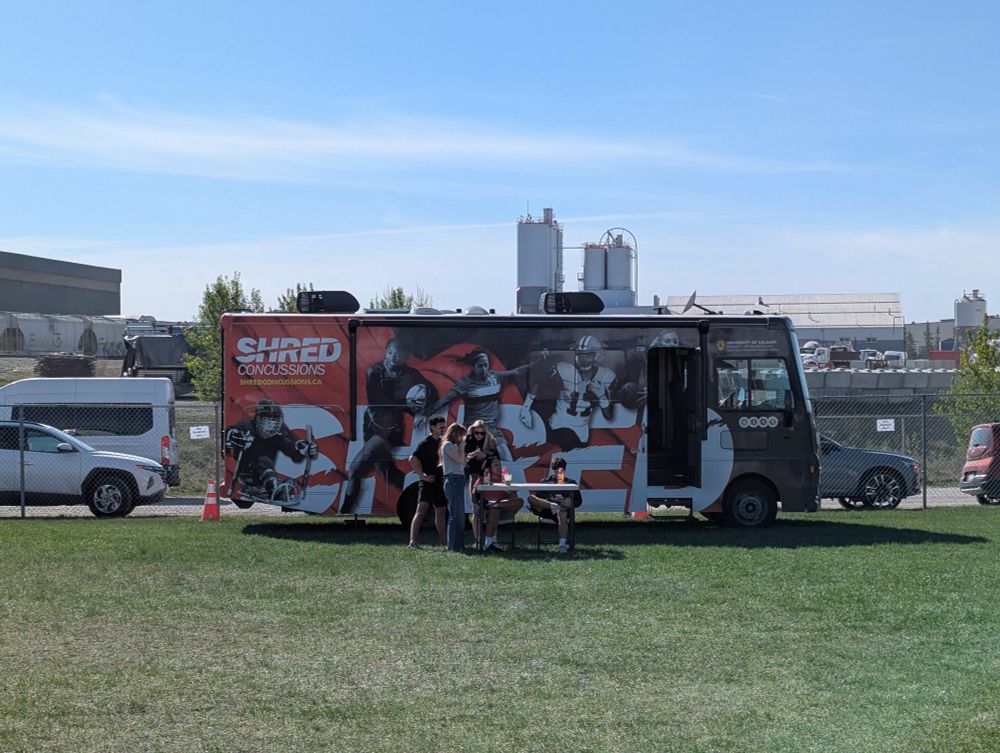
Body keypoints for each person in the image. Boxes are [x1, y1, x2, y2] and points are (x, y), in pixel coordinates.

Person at [341, 338, 437, 514]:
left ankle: (345, 510)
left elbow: (432, 391)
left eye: (398, 354)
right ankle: (425, 495)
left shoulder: (410, 374)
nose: (394, 357)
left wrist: (424, 406)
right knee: (388, 473)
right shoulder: (374, 371)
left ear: (405, 356)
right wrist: (410, 405)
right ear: (385, 351)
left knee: (355, 468)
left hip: (389, 431)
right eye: (390, 352)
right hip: (371, 427)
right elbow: (378, 401)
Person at [429, 348, 543, 462]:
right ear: (473, 367)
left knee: (507, 457)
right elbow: (446, 399)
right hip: (472, 429)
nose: (483, 369)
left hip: (491, 427)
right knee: (467, 460)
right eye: (480, 366)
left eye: (485, 365)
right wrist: (428, 411)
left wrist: (536, 363)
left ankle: (505, 479)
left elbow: (516, 371)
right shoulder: (465, 383)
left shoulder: (494, 376)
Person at [521, 335, 618, 450]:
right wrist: (526, 408)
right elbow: (539, 383)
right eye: (579, 355)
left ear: (597, 357)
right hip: (561, 423)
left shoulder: (607, 376)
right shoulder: (564, 370)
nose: (581, 360)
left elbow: (608, 415)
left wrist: (601, 396)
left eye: (587, 356)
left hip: (583, 428)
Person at [225, 399, 318, 503]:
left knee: (266, 462)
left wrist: (301, 449)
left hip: (267, 472)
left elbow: (290, 446)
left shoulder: (280, 431)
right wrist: (236, 436)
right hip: (246, 471)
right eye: (267, 422)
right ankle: (274, 488)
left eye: (274, 422)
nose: (271, 427)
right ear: (258, 419)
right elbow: (229, 434)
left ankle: (275, 486)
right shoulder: (246, 426)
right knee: (262, 460)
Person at [526, 457, 582, 555]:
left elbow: (578, 501)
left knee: (562, 512)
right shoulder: (545, 482)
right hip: (547, 509)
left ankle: (562, 545)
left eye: (560, 471)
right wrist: (550, 500)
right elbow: (538, 499)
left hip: (562, 509)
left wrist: (563, 500)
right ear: (553, 470)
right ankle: (554, 506)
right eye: (556, 471)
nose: (558, 473)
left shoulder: (571, 483)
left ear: (564, 470)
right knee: (530, 498)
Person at [407, 415, 447, 549]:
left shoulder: (443, 442)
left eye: (444, 427)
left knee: (441, 510)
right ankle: (412, 541)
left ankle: (443, 542)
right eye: (440, 427)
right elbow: (413, 458)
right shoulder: (425, 443)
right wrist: (422, 475)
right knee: (421, 509)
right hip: (427, 482)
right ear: (432, 427)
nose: (442, 429)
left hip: (439, 482)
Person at [473, 454, 523, 553]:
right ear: (489, 467)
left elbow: (514, 498)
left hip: (503, 508)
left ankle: (495, 504)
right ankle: (489, 543)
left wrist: (509, 488)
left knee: (520, 501)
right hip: (487, 510)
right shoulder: (485, 477)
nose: (498, 467)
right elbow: (474, 495)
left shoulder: (505, 476)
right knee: (494, 510)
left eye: (499, 464)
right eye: (495, 465)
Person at [440, 422, 468, 552]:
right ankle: (453, 546)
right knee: (455, 515)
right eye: (462, 435)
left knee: (460, 515)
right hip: (453, 480)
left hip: (458, 479)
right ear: (456, 434)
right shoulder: (448, 445)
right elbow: (459, 460)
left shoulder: (453, 446)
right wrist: (462, 447)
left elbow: (461, 461)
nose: (463, 438)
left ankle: (459, 545)